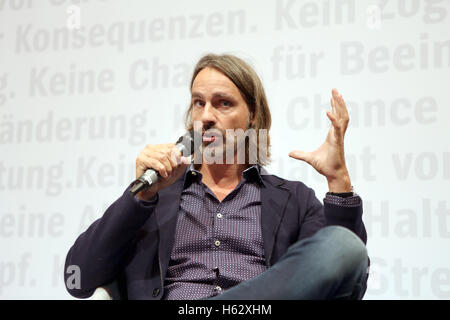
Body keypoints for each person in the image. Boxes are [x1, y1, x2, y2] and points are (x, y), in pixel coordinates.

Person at [64, 54, 369, 300]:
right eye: (199, 103)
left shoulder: (294, 199)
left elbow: (344, 280)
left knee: (344, 245)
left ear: (253, 115)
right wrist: (139, 197)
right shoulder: (155, 200)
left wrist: (338, 181)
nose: (207, 115)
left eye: (223, 103)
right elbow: (77, 277)